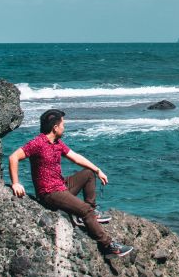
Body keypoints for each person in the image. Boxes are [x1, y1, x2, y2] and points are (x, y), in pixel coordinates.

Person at [8, 109, 133, 258]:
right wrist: (15, 183)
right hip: (49, 194)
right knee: (85, 210)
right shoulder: (38, 143)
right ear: (55, 127)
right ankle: (108, 246)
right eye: (63, 124)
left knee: (88, 174)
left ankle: (86, 215)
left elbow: (76, 157)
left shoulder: (57, 143)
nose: (64, 127)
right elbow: (13, 157)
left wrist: (98, 170)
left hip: (61, 186)